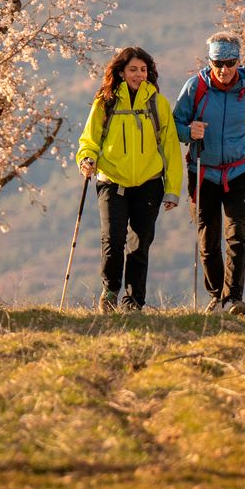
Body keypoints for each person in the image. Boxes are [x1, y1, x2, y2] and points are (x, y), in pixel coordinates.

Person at [173, 31, 245, 316]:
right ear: (209, 62)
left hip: (239, 172)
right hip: (202, 172)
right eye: (218, 63)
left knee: (236, 237)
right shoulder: (195, 87)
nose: (224, 69)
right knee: (208, 242)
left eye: (230, 63)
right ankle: (216, 296)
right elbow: (174, 126)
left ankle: (233, 300)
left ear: (238, 61)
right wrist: (188, 132)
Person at [77, 46, 180, 312]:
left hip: (149, 184)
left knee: (140, 245)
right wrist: (86, 158)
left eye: (143, 70)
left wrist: (172, 190)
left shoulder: (158, 103)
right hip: (112, 182)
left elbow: (170, 148)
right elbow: (90, 139)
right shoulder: (105, 102)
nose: (138, 74)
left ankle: (133, 303)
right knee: (113, 240)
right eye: (133, 69)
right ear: (121, 72)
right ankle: (111, 290)